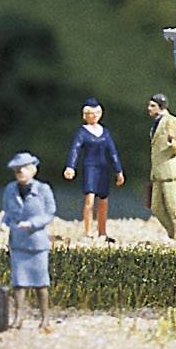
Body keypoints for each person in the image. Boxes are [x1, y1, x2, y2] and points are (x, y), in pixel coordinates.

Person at [0, 152, 57, 331]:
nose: (20, 172)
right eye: (17, 170)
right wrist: (4, 222)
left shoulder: (43, 189)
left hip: (37, 243)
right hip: (18, 242)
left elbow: (50, 213)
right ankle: (18, 317)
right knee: (19, 282)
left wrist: (33, 223)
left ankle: (45, 318)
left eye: (24, 168)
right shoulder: (10, 189)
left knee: (41, 283)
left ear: (33, 169)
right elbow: (7, 211)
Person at [59, 99, 125, 243]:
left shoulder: (105, 132)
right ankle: (88, 232)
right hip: (90, 167)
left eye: (96, 113)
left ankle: (102, 231)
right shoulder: (82, 133)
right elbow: (75, 149)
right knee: (89, 199)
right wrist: (70, 166)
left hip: (103, 168)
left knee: (103, 200)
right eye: (90, 113)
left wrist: (118, 171)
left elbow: (112, 152)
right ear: (85, 115)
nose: (94, 116)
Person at [146, 93, 176, 242]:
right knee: (156, 207)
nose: (149, 108)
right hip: (157, 172)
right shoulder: (156, 123)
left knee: (173, 205)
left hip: (170, 171)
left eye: (152, 106)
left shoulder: (173, 122)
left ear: (161, 107)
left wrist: (172, 143)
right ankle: (172, 232)